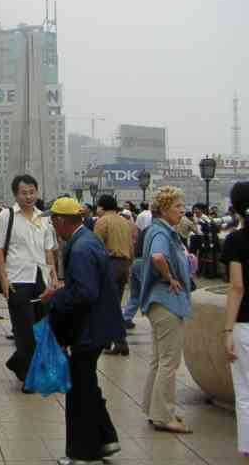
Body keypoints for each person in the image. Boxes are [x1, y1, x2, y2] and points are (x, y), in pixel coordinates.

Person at [40, 197, 123, 465]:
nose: (52, 224)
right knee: (87, 384)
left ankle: (82, 453)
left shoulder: (80, 249)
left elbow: (85, 293)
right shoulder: (88, 239)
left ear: (61, 221)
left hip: (89, 329)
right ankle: (106, 439)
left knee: (79, 390)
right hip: (98, 326)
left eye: (53, 219)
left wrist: (55, 297)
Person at [0, 174, 57, 391]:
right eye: (24, 193)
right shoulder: (6, 216)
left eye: (32, 192)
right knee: (24, 331)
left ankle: (19, 363)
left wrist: (53, 276)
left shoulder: (44, 218)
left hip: (41, 278)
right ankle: (29, 377)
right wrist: (3, 279)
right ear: (15, 194)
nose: (28, 196)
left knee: (42, 329)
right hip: (17, 280)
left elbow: (49, 250)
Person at [140, 186, 193, 434]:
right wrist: (170, 277)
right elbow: (158, 257)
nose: (181, 211)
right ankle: (164, 415)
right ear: (163, 209)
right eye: (177, 206)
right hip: (167, 301)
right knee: (169, 361)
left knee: (159, 359)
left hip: (157, 302)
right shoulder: (162, 232)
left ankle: (154, 409)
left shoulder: (157, 230)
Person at [223, 181, 249, 461]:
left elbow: (237, 287)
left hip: (245, 325)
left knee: (245, 394)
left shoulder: (236, 240)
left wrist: (227, 330)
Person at [94, 195, 135, 357]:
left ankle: (119, 342)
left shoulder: (101, 222)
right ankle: (110, 340)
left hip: (109, 265)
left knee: (107, 305)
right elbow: (131, 247)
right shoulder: (125, 222)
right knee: (115, 303)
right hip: (124, 265)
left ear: (102, 207)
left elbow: (96, 248)